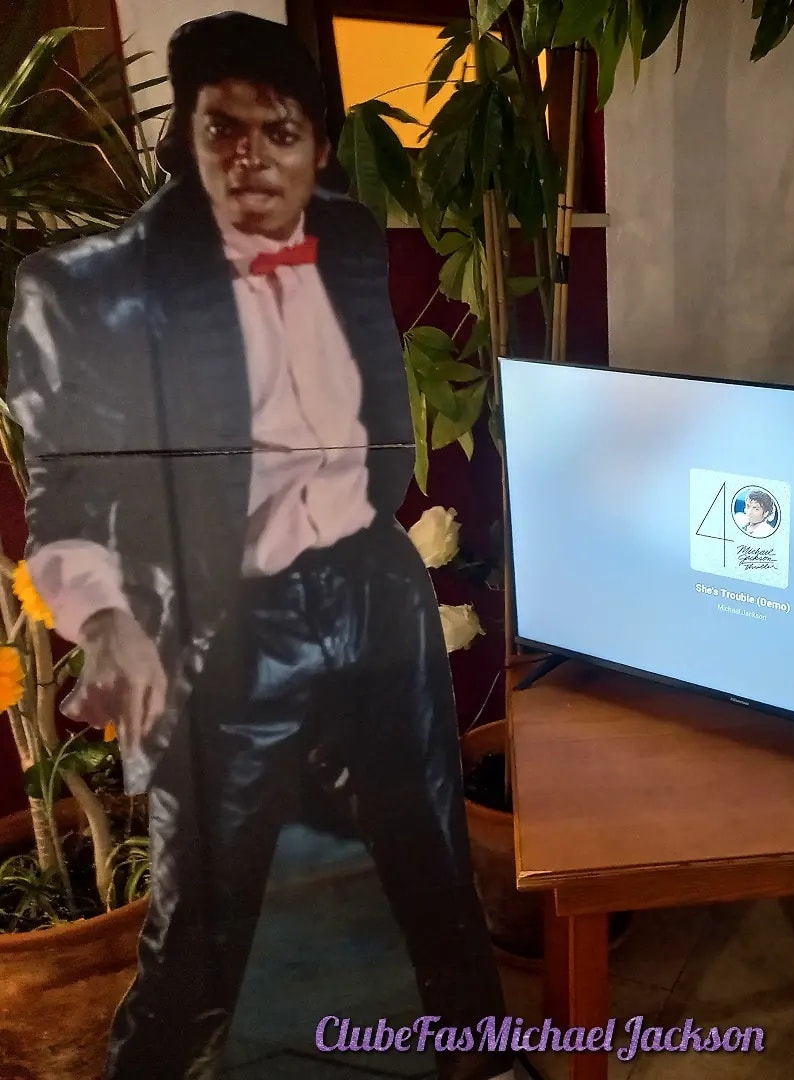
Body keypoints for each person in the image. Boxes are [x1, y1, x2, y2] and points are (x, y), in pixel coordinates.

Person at [6, 13, 514, 1080]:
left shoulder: (353, 236)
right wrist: (112, 625)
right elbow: (64, 489)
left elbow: (380, 417)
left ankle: (480, 1058)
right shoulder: (89, 285)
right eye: (222, 129)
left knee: (437, 871)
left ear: (318, 144)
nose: (251, 158)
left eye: (278, 131)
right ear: (180, 139)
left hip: (371, 593)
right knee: (199, 925)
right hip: (222, 628)